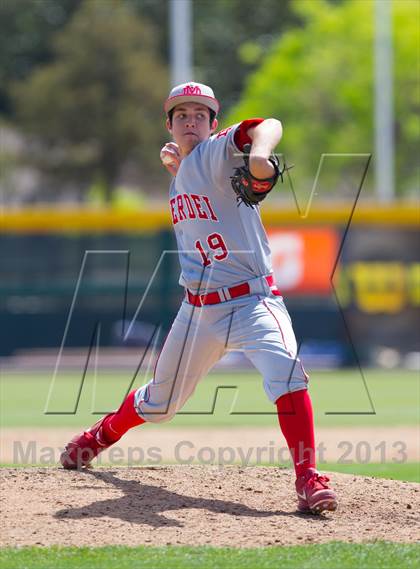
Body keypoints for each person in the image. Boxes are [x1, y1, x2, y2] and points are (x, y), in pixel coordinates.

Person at [60, 82, 338, 515]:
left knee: (286, 372)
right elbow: (205, 190)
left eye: (200, 114)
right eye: (181, 114)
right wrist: (179, 166)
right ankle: (102, 434)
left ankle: (308, 478)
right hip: (198, 312)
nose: (191, 120)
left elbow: (268, 125)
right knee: (159, 404)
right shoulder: (186, 174)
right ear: (169, 125)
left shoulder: (217, 152)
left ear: (212, 124)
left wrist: (260, 156)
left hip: (252, 302)